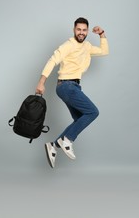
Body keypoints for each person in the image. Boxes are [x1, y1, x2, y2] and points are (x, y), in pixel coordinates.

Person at [35, 17, 109, 168]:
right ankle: (67, 139)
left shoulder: (87, 46)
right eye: (78, 29)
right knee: (93, 112)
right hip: (66, 86)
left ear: (87, 31)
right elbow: (52, 60)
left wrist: (101, 34)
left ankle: (54, 146)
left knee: (80, 119)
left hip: (73, 87)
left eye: (84, 30)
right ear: (74, 30)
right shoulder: (68, 45)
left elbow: (104, 51)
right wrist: (41, 82)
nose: (81, 32)